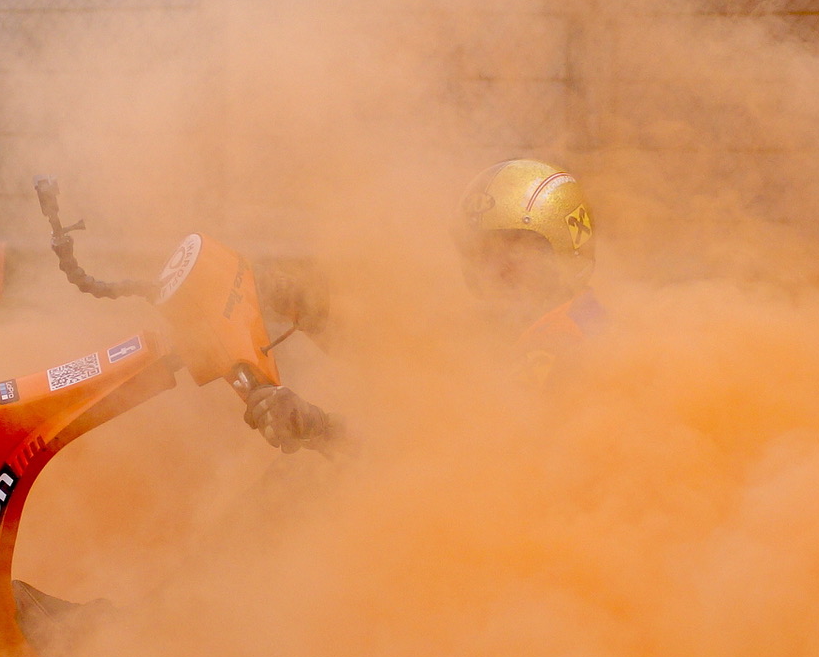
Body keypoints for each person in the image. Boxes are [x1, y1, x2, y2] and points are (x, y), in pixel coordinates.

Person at [243, 158, 603, 453]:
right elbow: (401, 361)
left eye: (512, 247)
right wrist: (299, 306)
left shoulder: (560, 344)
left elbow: (447, 458)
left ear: (561, 246)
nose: (491, 267)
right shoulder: (520, 323)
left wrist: (318, 427)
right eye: (480, 250)